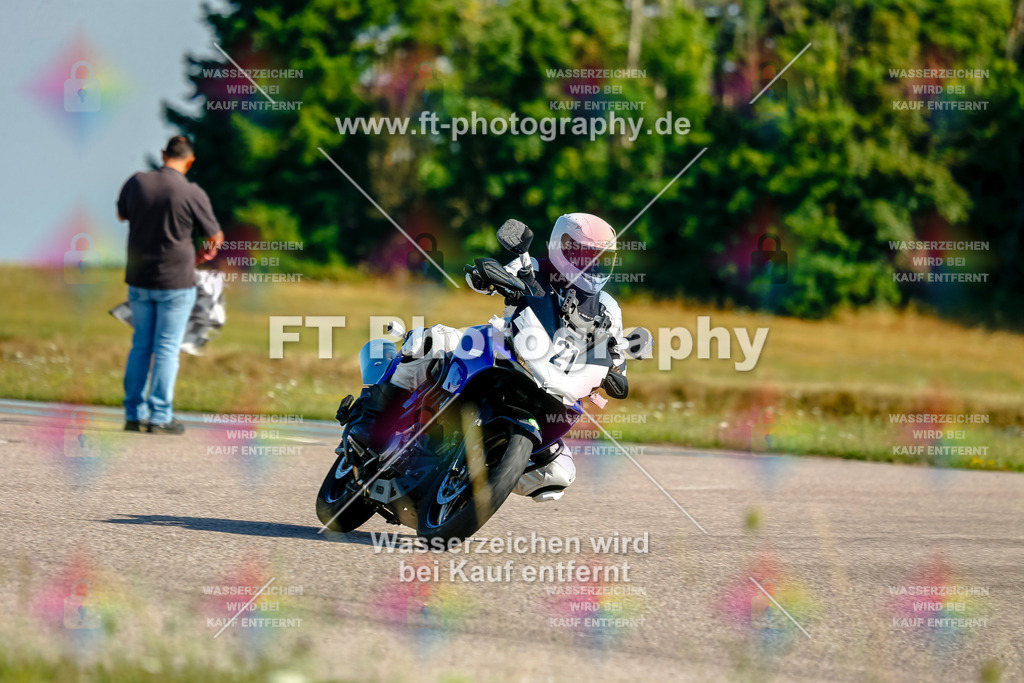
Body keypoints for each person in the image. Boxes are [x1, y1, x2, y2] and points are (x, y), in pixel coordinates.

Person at [349, 213, 629, 501]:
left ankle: (483, 472)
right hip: (500, 347)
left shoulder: (608, 307)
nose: (592, 264)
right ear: (561, 245)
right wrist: (485, 276)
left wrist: (618, 371)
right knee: (426, 341)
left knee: (558, 472)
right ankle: (371, 419)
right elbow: (482, 277)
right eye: (584, 255)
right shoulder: (531, 267)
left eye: (600, 258)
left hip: (555, 381)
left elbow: (615, 349)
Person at [116, 135, 224, 434]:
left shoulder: (136, 182)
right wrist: (201, 254)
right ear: (190, 161)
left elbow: (122, 214)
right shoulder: (191, 192)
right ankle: (160, 416)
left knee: (140, 346)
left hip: (139, 278)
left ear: (163, 154)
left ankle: (133, 414)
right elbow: (215, 236)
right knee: (166, 348)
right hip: (176, 280)